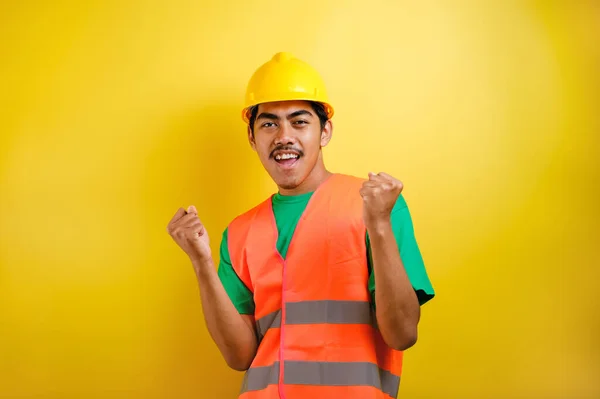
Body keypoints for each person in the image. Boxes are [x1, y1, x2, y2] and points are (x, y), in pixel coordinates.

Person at [167, 52, 435, 399]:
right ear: (252, 138)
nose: (283, 136)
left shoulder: (377, 206)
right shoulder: (238, 233)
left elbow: (402, 334)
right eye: (268, 124)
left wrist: (380, 225)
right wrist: (201, 262)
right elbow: (239, 356)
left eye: (299, 121)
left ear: (325, 131)